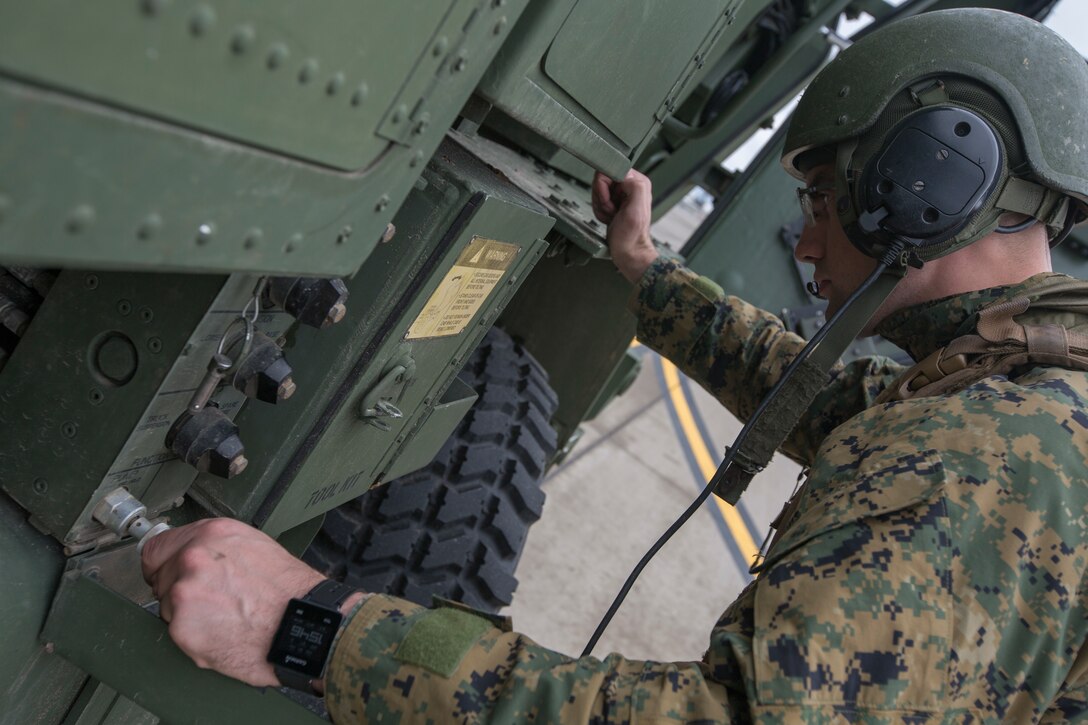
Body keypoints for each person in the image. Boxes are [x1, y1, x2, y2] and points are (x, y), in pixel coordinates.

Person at [142, 8, 1088, 723]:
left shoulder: (998, 452)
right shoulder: (1014, 385)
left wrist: (314, 625)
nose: (805, 247)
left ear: (920, 189)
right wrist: (642, 263)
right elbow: (817, 392)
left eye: (821, 200)